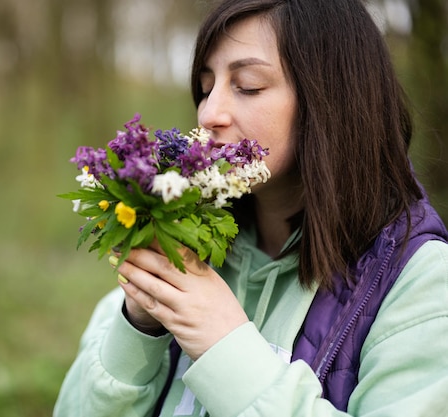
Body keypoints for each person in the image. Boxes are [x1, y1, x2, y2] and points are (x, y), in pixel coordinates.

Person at [53, 0, 448, 416]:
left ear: (333, 99)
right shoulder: (180, 239)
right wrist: (139, 326)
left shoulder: (421, 285)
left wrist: (224, 345)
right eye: (206, 88)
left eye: (248, 85)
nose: (209, 113)